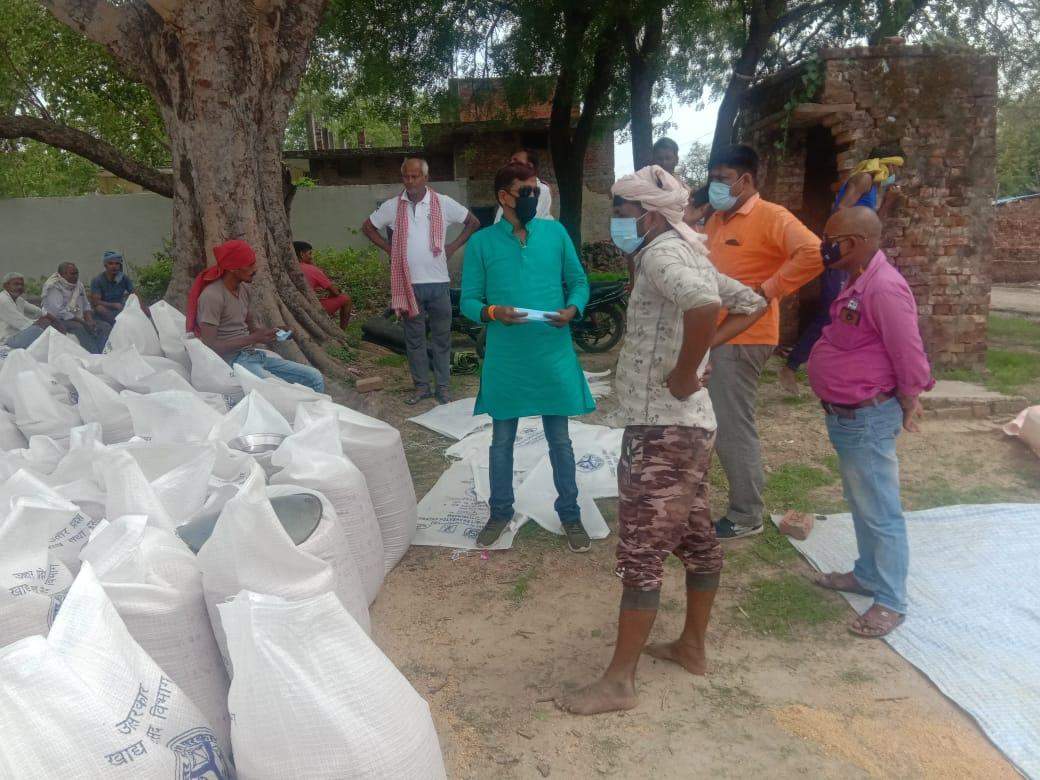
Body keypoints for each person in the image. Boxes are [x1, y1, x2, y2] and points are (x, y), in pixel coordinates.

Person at [561, 166, 766, 716]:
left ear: (647, 214)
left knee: (641, 551)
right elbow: (752, 303)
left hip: (664, 430)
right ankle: (691, 647)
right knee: (696, 538)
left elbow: (704, 307)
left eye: (621, 211)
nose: (616, 221)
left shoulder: (661, 254)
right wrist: (698, 360)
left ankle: (619, 682)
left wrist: (684, 370)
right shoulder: (685, 251)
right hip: (686, 427)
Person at [808, 206, 932, 638]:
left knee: (880, 509)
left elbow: (908, 351)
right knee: (863, 500)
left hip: (867, 416)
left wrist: (911, 396)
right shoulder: (855, 280)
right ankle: (866, 574)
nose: (826, 246)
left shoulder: (884, 288)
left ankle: (891, 601)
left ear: (857, 242)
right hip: (847, 416)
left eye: (832, 239)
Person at [461, 162, 595, 553]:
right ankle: (500, 511)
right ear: (504, 197)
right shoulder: (482, 243)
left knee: (560, 440)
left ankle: (569, 513)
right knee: (502, 441)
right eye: (526, 191)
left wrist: (573, 309)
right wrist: (491, 313)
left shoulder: (555, 234)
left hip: (552, 353)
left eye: (536, 190)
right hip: (508, 360)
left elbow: (580, 282)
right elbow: (469, 300)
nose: (533, 197)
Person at [704, 144, 823, 541]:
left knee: (733, 423)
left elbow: (813, 252)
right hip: (716, 334)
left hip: (745, 337)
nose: (715, 186)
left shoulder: (771, 216)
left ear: (746, 180)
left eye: (722, 179)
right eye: (713, 179)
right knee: (718, 420)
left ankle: (746, 514)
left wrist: (768, 290)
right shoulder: (718, 220)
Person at [778, 147, 906, 395]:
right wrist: (845, 242)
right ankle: (791, 367)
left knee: (844, 312)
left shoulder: (874, 185)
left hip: (853, 255)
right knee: (830, 311)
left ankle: (830, 367)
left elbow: (872, 225)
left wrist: (888, 203)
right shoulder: (864, 179)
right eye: (895, 167)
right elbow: (840, 214)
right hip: (841, 254)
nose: (896, 173)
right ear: (886, 163)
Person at [362, 157, 481, 405]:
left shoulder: (443, 203)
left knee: (441, 337)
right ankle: (421, 387)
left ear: (426, 178)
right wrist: (390, 248)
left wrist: (451, 247)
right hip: (409, 284)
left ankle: (444, 387)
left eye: (415, 176)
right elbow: (368, 227)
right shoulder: (393, 206)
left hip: (438, 283)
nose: (410, 181)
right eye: (406, 176)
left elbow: (473, 222)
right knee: (414, 339)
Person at [185, 239, 325, 393]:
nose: (255, 268)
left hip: (250, 356)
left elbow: (254, 330)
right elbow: (209, 346)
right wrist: (254, 338)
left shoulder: (244, 289)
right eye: (250, 265)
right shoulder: (212, 296)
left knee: (314, 377)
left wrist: (277, 332)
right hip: (231, 361)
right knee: (271, 392)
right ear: (232, 268)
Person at [626, 138, 686, 286]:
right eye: (659, 158)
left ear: (676, 160)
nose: (664, 163)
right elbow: (630, 236)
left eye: (668, 158)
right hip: (648, 261)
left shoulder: (685, 192)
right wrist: (633, 277)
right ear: (653, 160)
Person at [41, 262, 110, 353]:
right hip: (58, 321)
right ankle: (93, 355)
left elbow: (86, 305)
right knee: (80, 328)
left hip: (79, 318)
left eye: (76, 273)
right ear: (62, 274)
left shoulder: (79, 285)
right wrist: (84, 323)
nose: (76, 276)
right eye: (72, 274)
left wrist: (89, 320)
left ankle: (105, 353)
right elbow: (59, 312)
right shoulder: (54, 286)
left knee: (105, 326)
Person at [293, 240, 352, 329]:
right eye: (310, 254)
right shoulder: (312, 269)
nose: (311, 257)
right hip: (309, 310)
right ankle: (343, 330)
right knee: (346, 299)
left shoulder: (283, 267)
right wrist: (313, 266)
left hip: (290, 309)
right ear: (302, 254)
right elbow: (335, 292)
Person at [0, 272, 58, 349]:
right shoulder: (2, 300)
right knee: (38, 330)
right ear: (6, 286)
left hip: (19, 335)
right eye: (16, 284)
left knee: (46, 325)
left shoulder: (19, 300)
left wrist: (53, 319)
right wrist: (42, 322)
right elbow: (23, 323)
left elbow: (38, 311)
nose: (20, 287)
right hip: (7, 340)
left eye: (21, 285)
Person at [493, 149, 553, 222]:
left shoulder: (541, 189)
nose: (511, 163)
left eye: (516, 161)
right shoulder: (508, 186)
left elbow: (532, 220)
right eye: (510, 160)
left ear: (529, 166)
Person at [89, 251, 135, 325]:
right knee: (99, 308)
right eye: (111, 263)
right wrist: (113, 305)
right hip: (105, 309)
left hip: (120, 307)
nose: (114, 266)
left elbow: (134, 293)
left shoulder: (123, 278)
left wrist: (143, 307)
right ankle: (116, 325)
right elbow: (95, 302)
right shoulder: (97, 280)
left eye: (117, 264)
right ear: (105, 265)